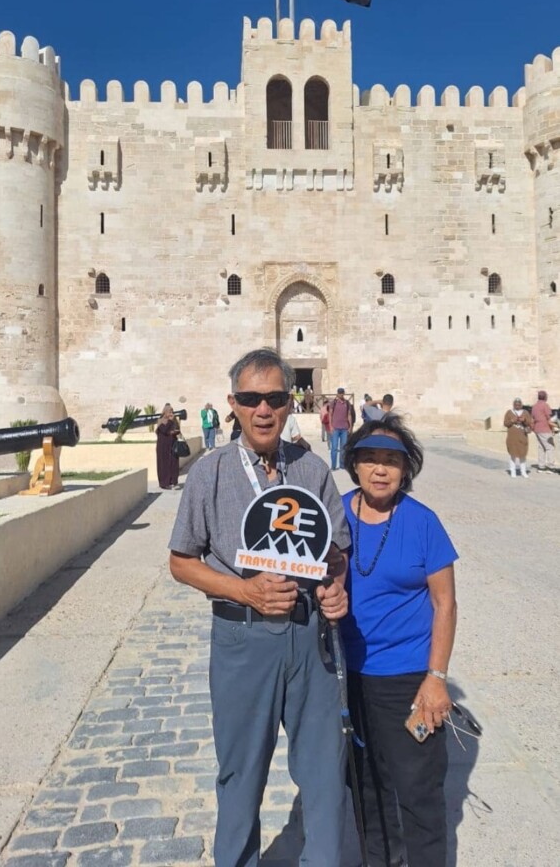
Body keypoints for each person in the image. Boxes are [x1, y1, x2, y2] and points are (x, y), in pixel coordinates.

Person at [168, 348, 351, 867]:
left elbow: (336, 553)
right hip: (242, 641)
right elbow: (182, 562)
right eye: (251, 399)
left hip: (310, 639)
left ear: (290, 402)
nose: (263, 409)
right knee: (240, 773)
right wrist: (244, 591)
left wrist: (336, 587)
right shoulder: (211, 474)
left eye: (274, 397)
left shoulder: (312, 470)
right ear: (234, 404)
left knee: (323, 774)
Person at [340, 415, 458, 867]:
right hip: (347, 677)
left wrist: (436, 678)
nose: (381, 469)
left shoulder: (423, 522)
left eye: (392, 460)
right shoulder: (335, 515)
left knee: (418, 792)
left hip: (407, 680)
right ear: (355, 465)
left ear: (406, 469)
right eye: (370, 459)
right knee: (365, 788)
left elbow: (444, 604)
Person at [503, 398, 533, 477]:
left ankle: (523, 471)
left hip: (522, 436)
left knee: (522, 454)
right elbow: (506, 423)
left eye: (519, 404)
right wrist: (512, 420)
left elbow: (529, 422)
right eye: (516, 404)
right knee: (512, 454)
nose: (517, 406)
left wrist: (524, 420)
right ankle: (513, 471)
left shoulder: (525, 412)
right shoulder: (509, 412)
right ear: (513, 405)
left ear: (521, 405)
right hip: (512, 437)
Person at [155, 403, 181, 489]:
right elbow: (164, 430)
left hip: (173, 445)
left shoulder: (174, 420)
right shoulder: (161, 420)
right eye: (170, 411)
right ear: (165, 412)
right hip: (163, 446)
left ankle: (174, 482)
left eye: (172, 411)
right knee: (164, 464)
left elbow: (177, 430)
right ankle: (164, 483)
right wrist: (170, 421)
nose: (171, 413)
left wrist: (175, 430)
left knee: (174, 464)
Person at [328, 387, 353, 470]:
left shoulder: (347, 403)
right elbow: (330, 414)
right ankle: (334, 466)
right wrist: (331, 426)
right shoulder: (334, 403)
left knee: (343, 447)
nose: (341, 394)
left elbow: (349, 414)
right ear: (337, 393)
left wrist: (350, 426)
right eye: (340, 393)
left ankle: (342, 465)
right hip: (335, 428)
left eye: (342, 393)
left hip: (344, 428)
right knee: (334, 448)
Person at [531, 390, 556, 473]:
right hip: (545, 428)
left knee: (541, 447)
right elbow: (549, 418)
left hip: (537, 429)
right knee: (550, 447)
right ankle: (550, 467)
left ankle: (541, 466)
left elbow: (533, 418)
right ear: (545, 397)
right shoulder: (545, 405)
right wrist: (555, 426)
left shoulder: (534, 406)